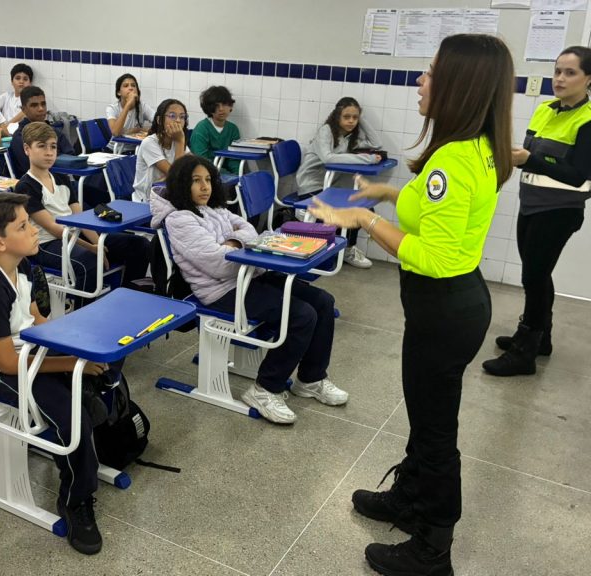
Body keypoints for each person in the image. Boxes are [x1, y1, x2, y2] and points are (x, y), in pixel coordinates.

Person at [307, 34, 514, 575]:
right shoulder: (475, 146)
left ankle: (432, 549)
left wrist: (364, 220)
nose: (420, 82)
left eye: (430, 73)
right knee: (426, 418)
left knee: (437, 431)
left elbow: (434, 257)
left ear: (458, 86)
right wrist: (389, 194)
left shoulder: (453, 159)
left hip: (444, 310)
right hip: (452, 308)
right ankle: (409, 497)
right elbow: (437, 210)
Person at [0, 191, 108, 555]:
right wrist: (69, 364)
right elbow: (6, 364)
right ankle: (75, 500)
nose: (34, 230)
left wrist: (75, 346)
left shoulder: (20, 263)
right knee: (70, 416)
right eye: (24, 226)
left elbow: (37, 320)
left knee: (101, 365)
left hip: (27, 351)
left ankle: (85, 447)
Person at [151, 155, 346, 424]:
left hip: (248, 276)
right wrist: (238, 245)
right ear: (182, 184)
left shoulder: (214, 208)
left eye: (208, 180)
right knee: (302, 315)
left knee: (323, 301)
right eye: (196, 181)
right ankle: (265, 389)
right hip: (220, 291)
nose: (205, 187)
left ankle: (311, 379)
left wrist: (232, 242)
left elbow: (249, 230)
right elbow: (218, 264)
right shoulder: (179, 219)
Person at [483, 46, 591, 377]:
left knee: (534, 276)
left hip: (560, 210)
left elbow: (577, 173)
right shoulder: (545, 110)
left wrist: (530, 159)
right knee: (537, 274)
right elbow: (532, 156)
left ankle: (525, 352)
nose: (560, 79)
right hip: (532, 204)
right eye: (557, 71)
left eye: (570, 73)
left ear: (589, 78)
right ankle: (542, 339)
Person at [16, 121, 148, 301]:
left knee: (139, 245)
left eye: (53, 146)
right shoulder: (26, 186)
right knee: (89, 262)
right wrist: (92, 248)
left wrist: (98, 243)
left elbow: (80, 218)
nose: (49, 152)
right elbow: (54, 229)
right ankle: (82, 311)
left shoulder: (61, 177)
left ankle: (126, 299)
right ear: (27, 149)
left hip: (73, 235)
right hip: (47, 243)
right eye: (41, 146)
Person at [296, 96, 385, 269]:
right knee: (352, 211)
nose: (351, 121)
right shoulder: (326, 131)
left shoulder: (350, 136)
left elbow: (377, 144)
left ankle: (347, 248)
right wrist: (367, 159)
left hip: (329, 187)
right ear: (337, 116)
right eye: (346, 117)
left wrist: (360, 118)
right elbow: (328, 158)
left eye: (355, 117)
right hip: (311, 186)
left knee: (365, 208)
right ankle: (343, 248)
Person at [132, 99, 189, 202]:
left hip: (169, 196)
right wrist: (180, 141)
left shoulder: (177, 141)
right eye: (172, 116)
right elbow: (176, 176)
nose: (178, 121)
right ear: (159, 120)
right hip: (147, 200)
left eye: (182, 117)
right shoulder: (149, 143)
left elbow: (193, 168)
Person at [189, 85, 241, 173]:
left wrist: (236, 175)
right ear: (209, 108)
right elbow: (201, 161)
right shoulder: (201, 128)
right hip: (205, 173)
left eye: (224, 104)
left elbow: (234, 159)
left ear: (230, 106)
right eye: (216, 106)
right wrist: (224, 174)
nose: (221, 109)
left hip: (227, 175)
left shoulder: (233, 129)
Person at [106, 73, 154, 154]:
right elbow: (115, 132)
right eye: (126, 86)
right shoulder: (112, 108)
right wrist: (128, 104)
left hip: (135, 149)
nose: (130, 88)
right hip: (115, 150)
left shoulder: (142, 106)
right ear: (119, 92)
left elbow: (159, 122)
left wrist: (139, 129)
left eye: (133, 85)